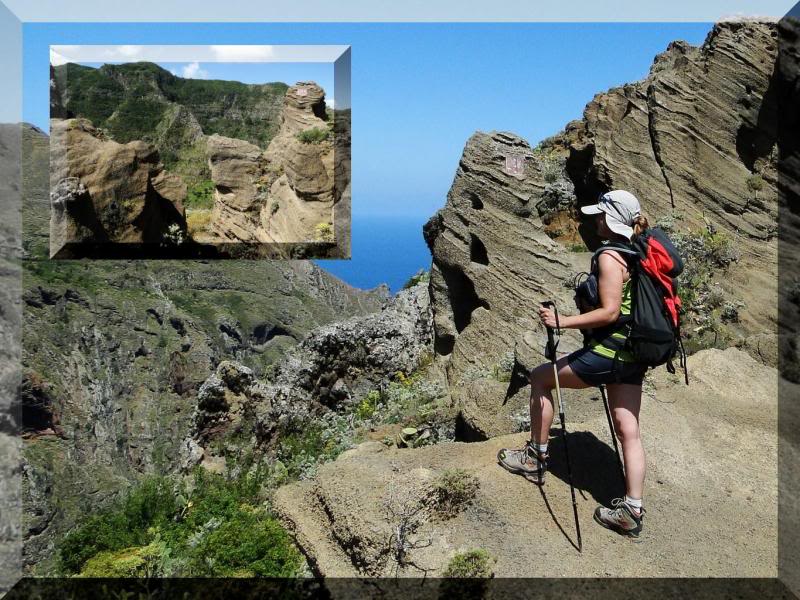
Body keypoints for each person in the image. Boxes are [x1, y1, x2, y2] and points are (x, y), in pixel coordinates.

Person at [497, 190, 650, 539]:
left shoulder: (611, 256)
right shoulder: (640, 252)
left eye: (600, 215)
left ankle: (535, 459)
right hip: (634, 353)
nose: (595, 221)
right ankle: (632, 509)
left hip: (610, 352)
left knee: (540, 379)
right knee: (628, 427)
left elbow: (610, 310)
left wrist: (560, 321)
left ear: (611, 220)